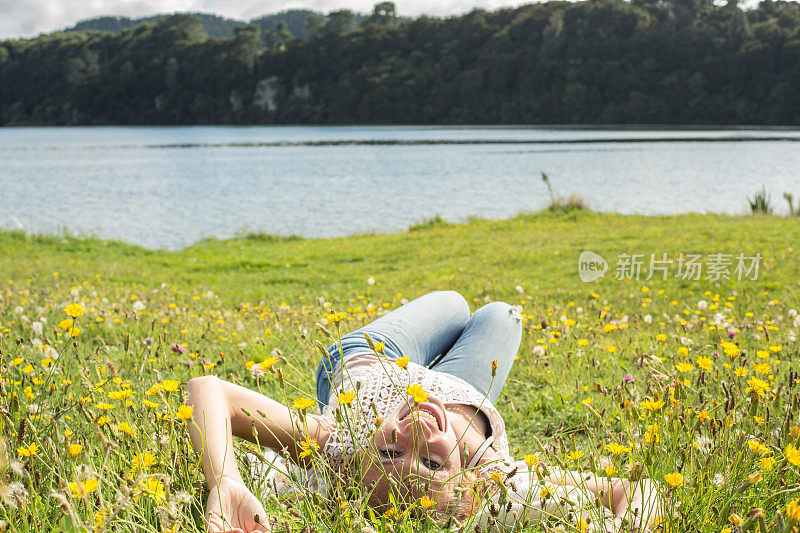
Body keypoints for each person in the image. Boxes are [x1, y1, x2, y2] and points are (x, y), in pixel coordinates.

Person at [187, 291, 663, 533]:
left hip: (371, 358)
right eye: (433, 462)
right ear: (464, 476)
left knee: (452, 302)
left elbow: (210, 390)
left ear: (364, 452)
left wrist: (224, 480)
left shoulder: (340, 446)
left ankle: (449, 314)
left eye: (392, 450)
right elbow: (635, 490)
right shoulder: (497, 479)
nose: (417, 429)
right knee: (505, 314)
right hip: (467, 389)